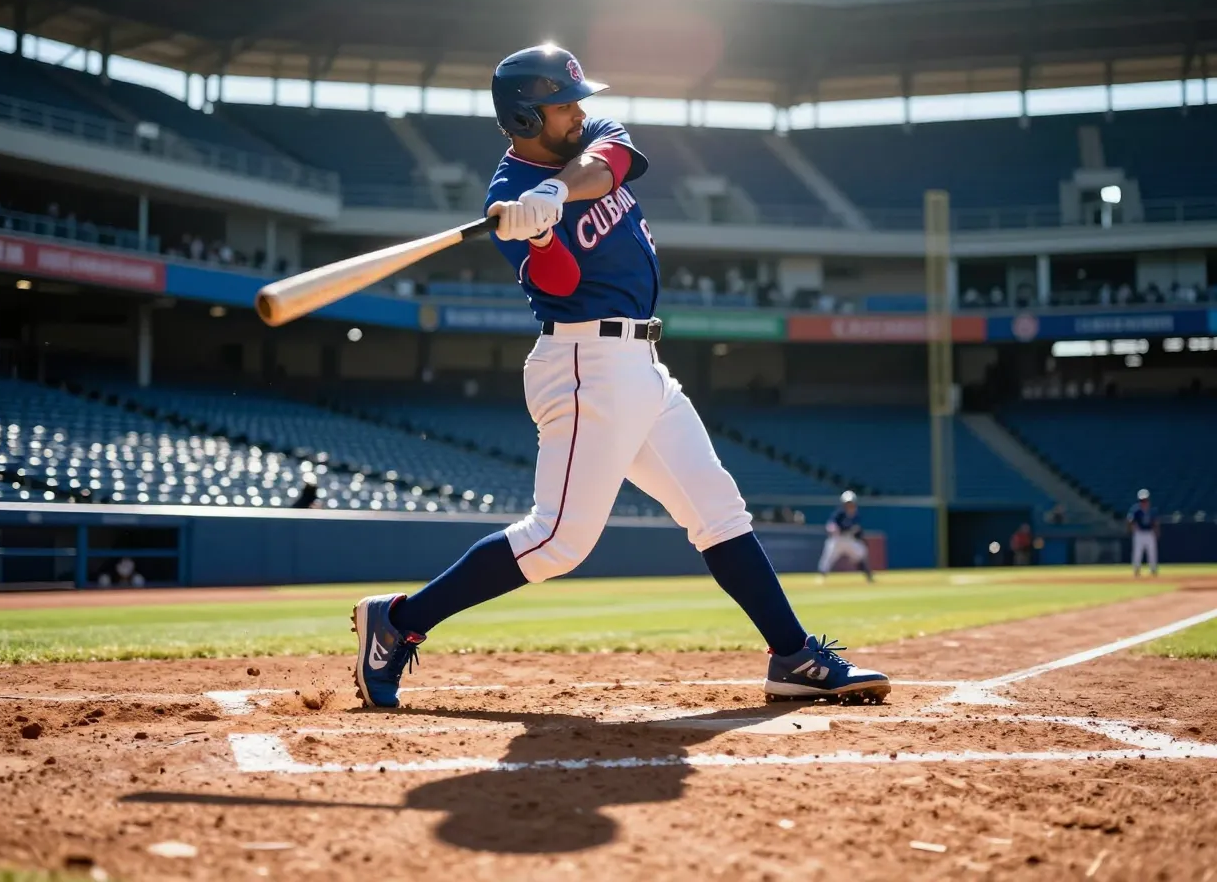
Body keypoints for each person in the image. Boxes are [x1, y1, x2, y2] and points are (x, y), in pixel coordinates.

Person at [350, 45, 889, 708]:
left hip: (642, 367)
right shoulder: (504, 201)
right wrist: (538, 235)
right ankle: (398, 623)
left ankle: (792, 656)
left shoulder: (589, 143)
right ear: (525, 117)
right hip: (585, 366)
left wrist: (554, 193)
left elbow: (612, 164)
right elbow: (561, 286)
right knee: (556, 542)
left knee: (718, 511)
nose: (580, 112)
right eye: (562, 104)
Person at [817, 491, 873, 582]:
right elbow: (830, 525)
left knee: (861, 552)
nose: (850, 505)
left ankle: (868, 576)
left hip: (848, 539)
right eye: (847, 503)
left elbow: (857, 530)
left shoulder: (856, 515)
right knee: (828, 557)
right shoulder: (839, 514)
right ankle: (821, 576)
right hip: (837, 540)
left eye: (851, 503)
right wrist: (833, 529)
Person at [1127, 488, 1160, 577]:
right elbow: (1130, 521)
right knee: (1137, 552)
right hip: (1139, 533)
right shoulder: (1136, 509)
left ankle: (1153, 569)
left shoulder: (1152, 510)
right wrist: (1133, 530)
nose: (1144, 502)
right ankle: (1136, 570)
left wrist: (1156, 532)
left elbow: (1155, 522)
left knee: (1152, 552)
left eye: (1145, 500)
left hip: (1149, 532)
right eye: (1142, 500)